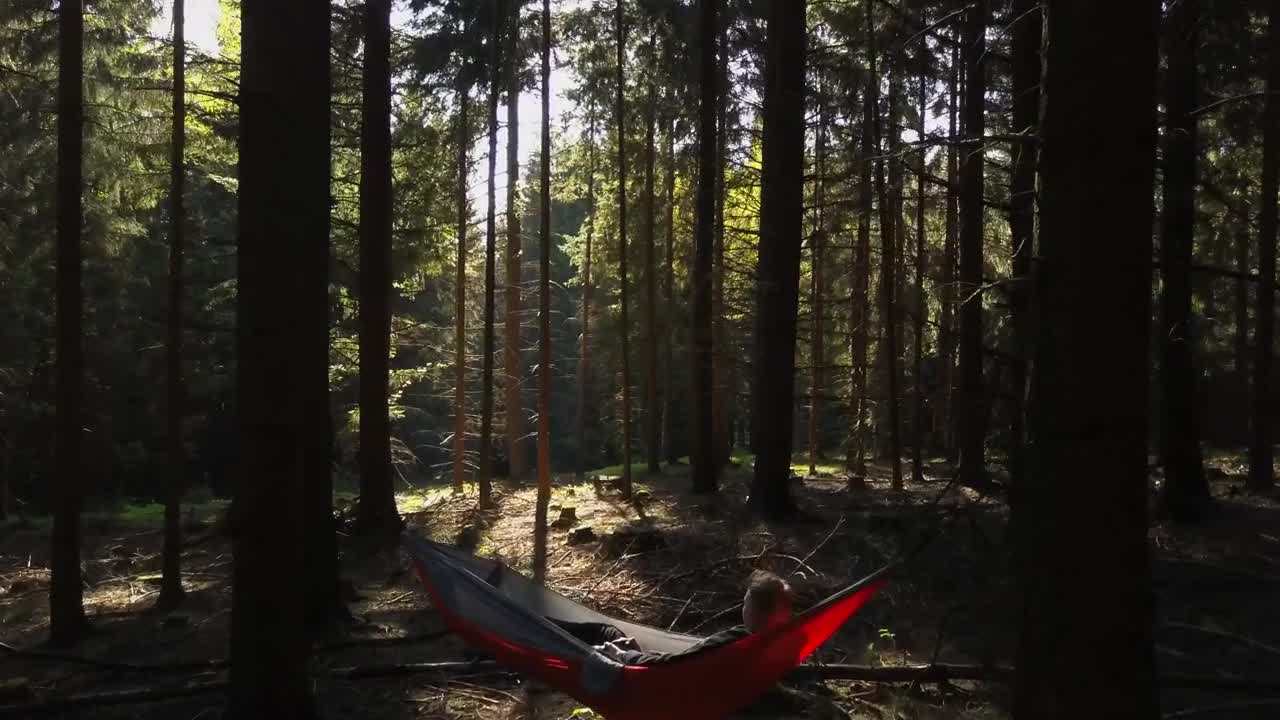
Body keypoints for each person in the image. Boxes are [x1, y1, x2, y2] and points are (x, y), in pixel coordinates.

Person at [555, 569, 794, 665]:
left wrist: (623, 654)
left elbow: (672, 667)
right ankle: (546, 625)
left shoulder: (736, 641)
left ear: (755, 611)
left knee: (604, 633)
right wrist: (646, 652)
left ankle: (544, 626)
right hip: (659, 665)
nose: (742, 608)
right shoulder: (778, 647)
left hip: (637, 674)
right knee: (608, 632)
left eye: (745, 602)